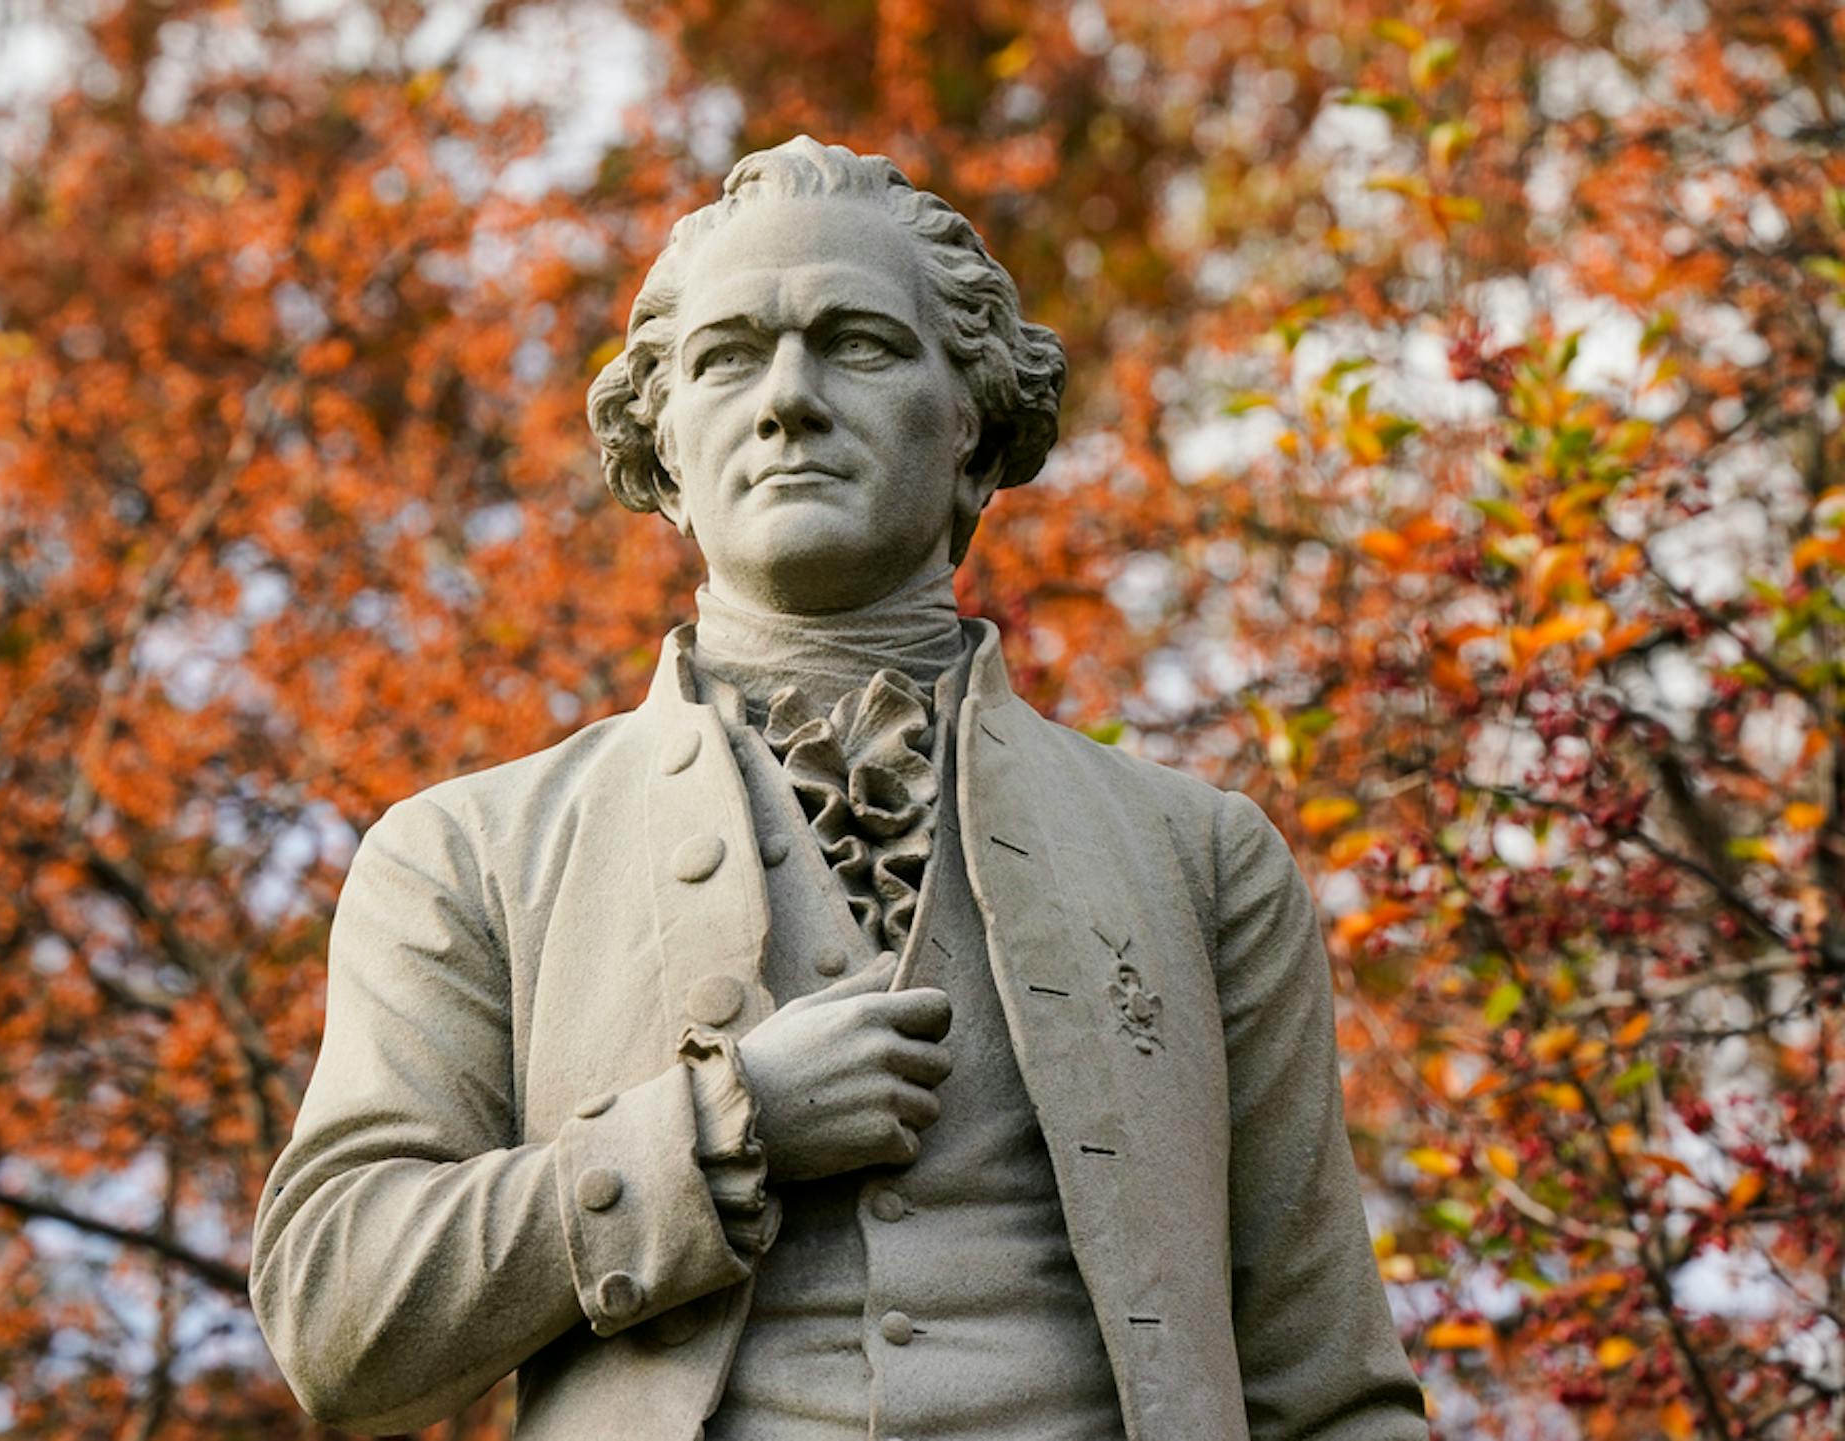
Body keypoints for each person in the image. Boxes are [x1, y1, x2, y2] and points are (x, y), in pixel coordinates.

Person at [250, 136, 1428, 1441]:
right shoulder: (467, 850)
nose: (788, 399)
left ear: (975, 424)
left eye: (857, 342)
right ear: (665, 448)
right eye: (726, 357)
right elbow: (336, 1316)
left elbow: (1330, 1393)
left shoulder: (1200, 859)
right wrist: (717, 1126)